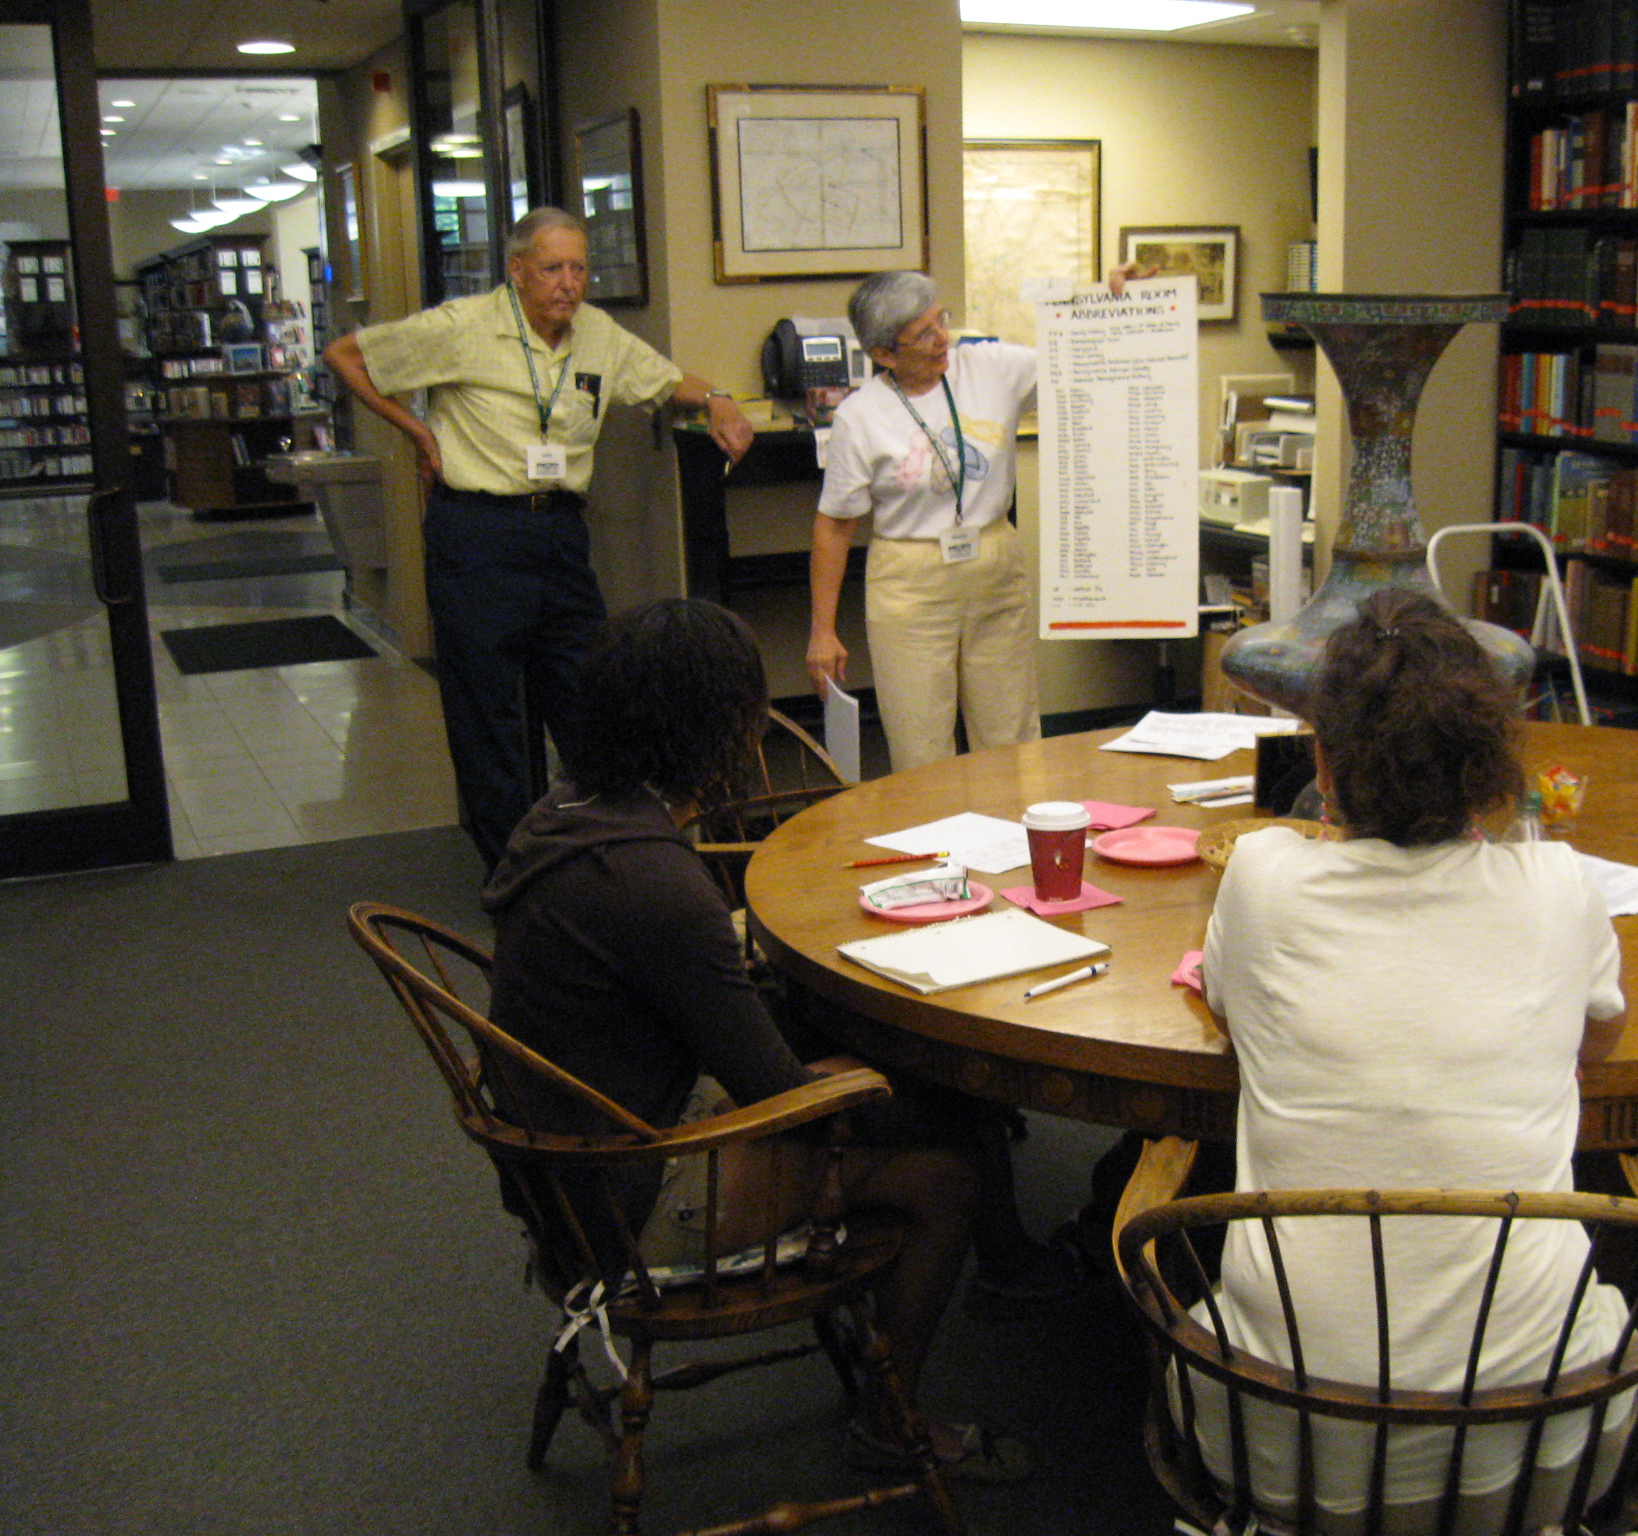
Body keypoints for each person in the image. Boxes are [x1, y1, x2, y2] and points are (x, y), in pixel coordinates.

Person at [480, 597, 1025, 1481]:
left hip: (566, 1160)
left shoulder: (567, 814)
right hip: (634, 1195)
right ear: (713, 727)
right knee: (948, 1163)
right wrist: (914, 1096)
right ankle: (893, 1424)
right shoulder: (656, 882)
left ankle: (1005, 1249)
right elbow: (780, 1097)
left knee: (895, 1080)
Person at [1197, 588, 1632, 1534]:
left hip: (1286, 1430)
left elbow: (1230, 1019)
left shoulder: (1262, 880)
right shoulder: (1561, 885)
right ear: (1490, 773)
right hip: (1536, 1440)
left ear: (1322, 760)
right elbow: (1595, 1048)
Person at [323, 207, 755, 869]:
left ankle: (600, 847)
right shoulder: (464, 326)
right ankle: (514, 868)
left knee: (588, 696)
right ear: (517, 271)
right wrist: (416, 432)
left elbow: (666, 382)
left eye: (579, 268)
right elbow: (346, 356)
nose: (569, 283)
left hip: (557, 534)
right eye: (553, 268)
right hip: (476, 533)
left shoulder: (599, 337)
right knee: (486, 713)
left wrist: (719, 398)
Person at [806, 266, 1140, 772]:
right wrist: (822, 631)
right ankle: (936, 848)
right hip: (909, 578)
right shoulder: (860, 415)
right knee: (921, 745)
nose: (943, 338)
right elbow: (834, 525)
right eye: (924, 334)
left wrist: (1117, 304)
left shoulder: (989, 367)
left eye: (941, 320)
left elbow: (1083, 356)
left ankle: (1011, 845)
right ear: (884, 354)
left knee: (1010, 737)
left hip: (993, 556)